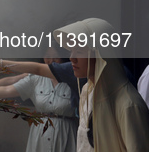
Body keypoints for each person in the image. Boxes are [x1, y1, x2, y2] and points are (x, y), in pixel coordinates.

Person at [53, 18, 149, 152]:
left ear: (100, 55)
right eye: (71, 51)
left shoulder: (128, 104)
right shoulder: (87, 91)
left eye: (79, 52)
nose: (71, 58)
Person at [0, 46, 77, 152]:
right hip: (40, 132)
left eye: (56, 57)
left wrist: (0, 63)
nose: (51, 60)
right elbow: (8, 89)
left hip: (66, 132)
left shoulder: (74, 79)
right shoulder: (35, 78)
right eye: (47, 56)